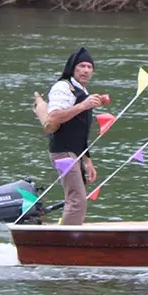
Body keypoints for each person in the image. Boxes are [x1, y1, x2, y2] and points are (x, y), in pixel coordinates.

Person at [44, 46, 106, 225]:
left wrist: (87, 160)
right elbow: (53, 116)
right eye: (82, 66)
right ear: (73, 68)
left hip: (75, 152)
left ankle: (69, 236)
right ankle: (65, 242)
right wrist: (83, 106)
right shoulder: (63, 87)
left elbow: (79, 131)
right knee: (77, 199)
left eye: (89, 67)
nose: (86, 70)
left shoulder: (83, 92)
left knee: (78, 198)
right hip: (62, 152)